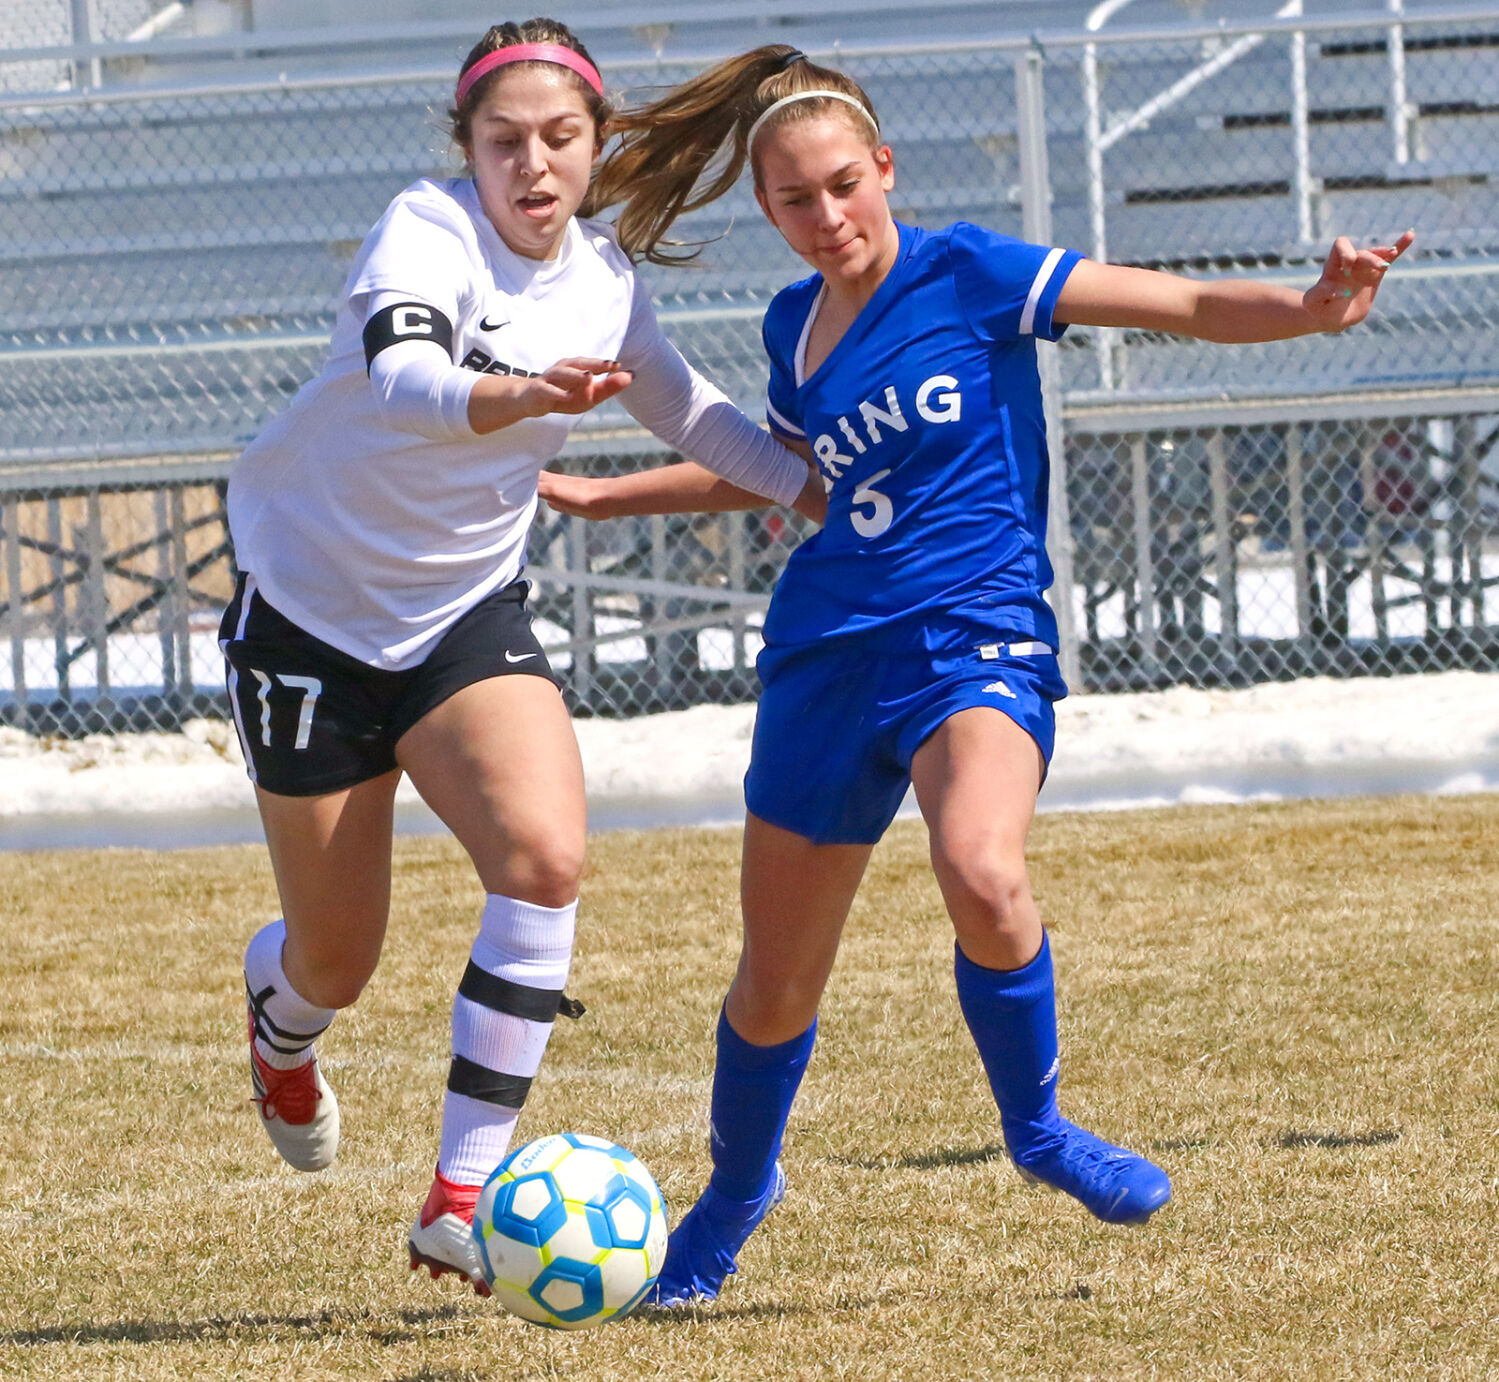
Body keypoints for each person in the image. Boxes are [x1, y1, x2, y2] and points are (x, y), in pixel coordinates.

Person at [539, 44, 1413, 1307]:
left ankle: (1038, 1129)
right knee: (774, 978)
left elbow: (1170, 302)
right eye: (794, 199)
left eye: (844, 183)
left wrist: (1305, 304)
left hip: (974, 627)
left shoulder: (972, 272)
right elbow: (792, 474)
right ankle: (732, 1199)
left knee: (980, 864)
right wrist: (609, 495)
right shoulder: (793, 326)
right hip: (827, 649)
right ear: (767, 210)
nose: (825, 215)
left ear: (883, 167)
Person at [219, 19, 822, 1298]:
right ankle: (282, 1024)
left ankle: (457, 1194)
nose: (533, 166)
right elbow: (403, 380)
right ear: (468, 150)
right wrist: (522, 395)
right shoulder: (424, 230)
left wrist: (815, 488)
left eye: (560, 139)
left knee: (545, 859)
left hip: (460, 620)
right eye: (506, 142)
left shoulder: (605, 281)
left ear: (597, 147)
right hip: (314, 619)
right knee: (338, 956)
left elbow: (699, 416)